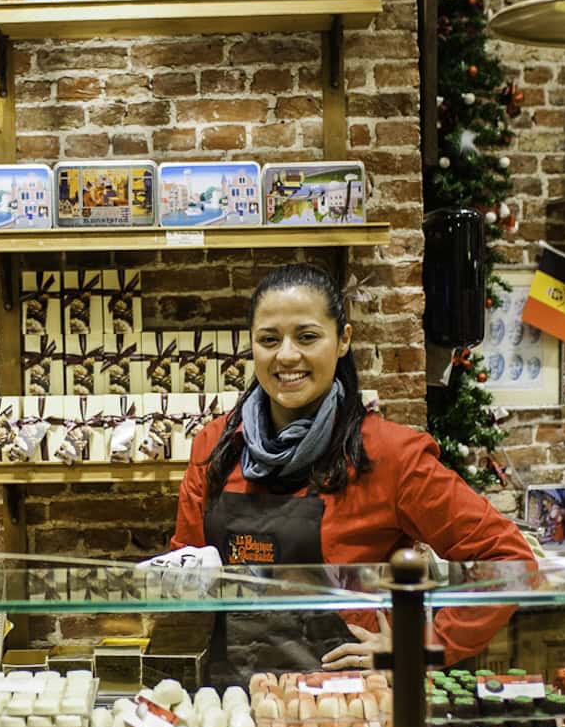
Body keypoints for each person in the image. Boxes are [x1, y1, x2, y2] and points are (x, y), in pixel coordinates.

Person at [172, 264, 534, 674]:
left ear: (343, 339)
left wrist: (424, 644)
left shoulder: (391, 454)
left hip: (345, 710)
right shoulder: (216, 446)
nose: (287, 355)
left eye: (307, 337)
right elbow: (185, 568)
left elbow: (509, 559)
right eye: (269, 340)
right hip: (227, 702)